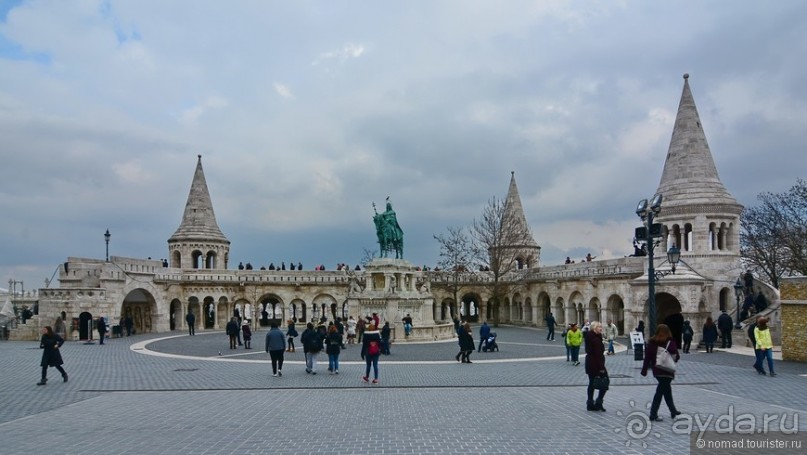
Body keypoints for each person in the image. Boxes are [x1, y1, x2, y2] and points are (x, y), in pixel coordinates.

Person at [641, 324, 681, 422]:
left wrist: (644, 369)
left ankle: (673, 410)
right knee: (660, 392)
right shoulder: (670, 341)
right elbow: (677, 356)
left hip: (658, 370)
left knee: (666, 390)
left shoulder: (652, 342)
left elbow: (647, 357)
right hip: (667, 370)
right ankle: (653, 414)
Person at [585, 321, 608, 412]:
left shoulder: (590, 336)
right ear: (594, 328)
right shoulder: (596, 339)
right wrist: (601, 368)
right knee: (605, 382)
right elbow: (598, 355)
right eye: (599, 327)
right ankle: (598, 402)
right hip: (596, 364)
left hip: (590, 363)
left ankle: (590, 403)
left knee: (592, 383)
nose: (601, 328)